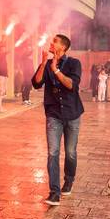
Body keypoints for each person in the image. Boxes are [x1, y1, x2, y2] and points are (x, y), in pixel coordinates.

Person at [31, 34, 84, 206]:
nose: (51, 43)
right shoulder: (46, 64)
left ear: (62, 47)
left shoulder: (74, 63)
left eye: (54, 42)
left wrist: (56, 70)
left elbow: (71, 85)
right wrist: (43, 63)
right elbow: (37, 83)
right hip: (53, 113)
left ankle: (68, 181)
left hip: (72, 113)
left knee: (70, 152)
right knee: (53, 152)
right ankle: (54, 192)